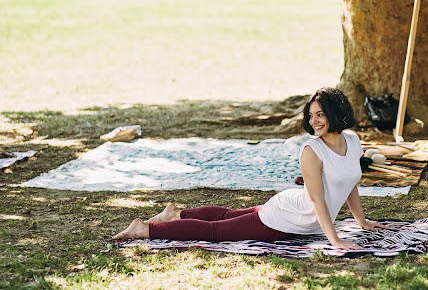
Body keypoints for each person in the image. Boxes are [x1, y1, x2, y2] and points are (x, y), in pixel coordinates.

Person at [112, 87, 388, 249]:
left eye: (321, 114)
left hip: (299, 212)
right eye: (311, 115)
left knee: (228, 215)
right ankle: (146, 229)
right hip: (289, 217)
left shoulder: (352, 141)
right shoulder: (311, 151)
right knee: (216, 233)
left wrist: (361, 222)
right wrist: (335, 240)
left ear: (336, 113)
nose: (314, 121)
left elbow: (351, 183)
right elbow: (317, 199)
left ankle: (176, 213)